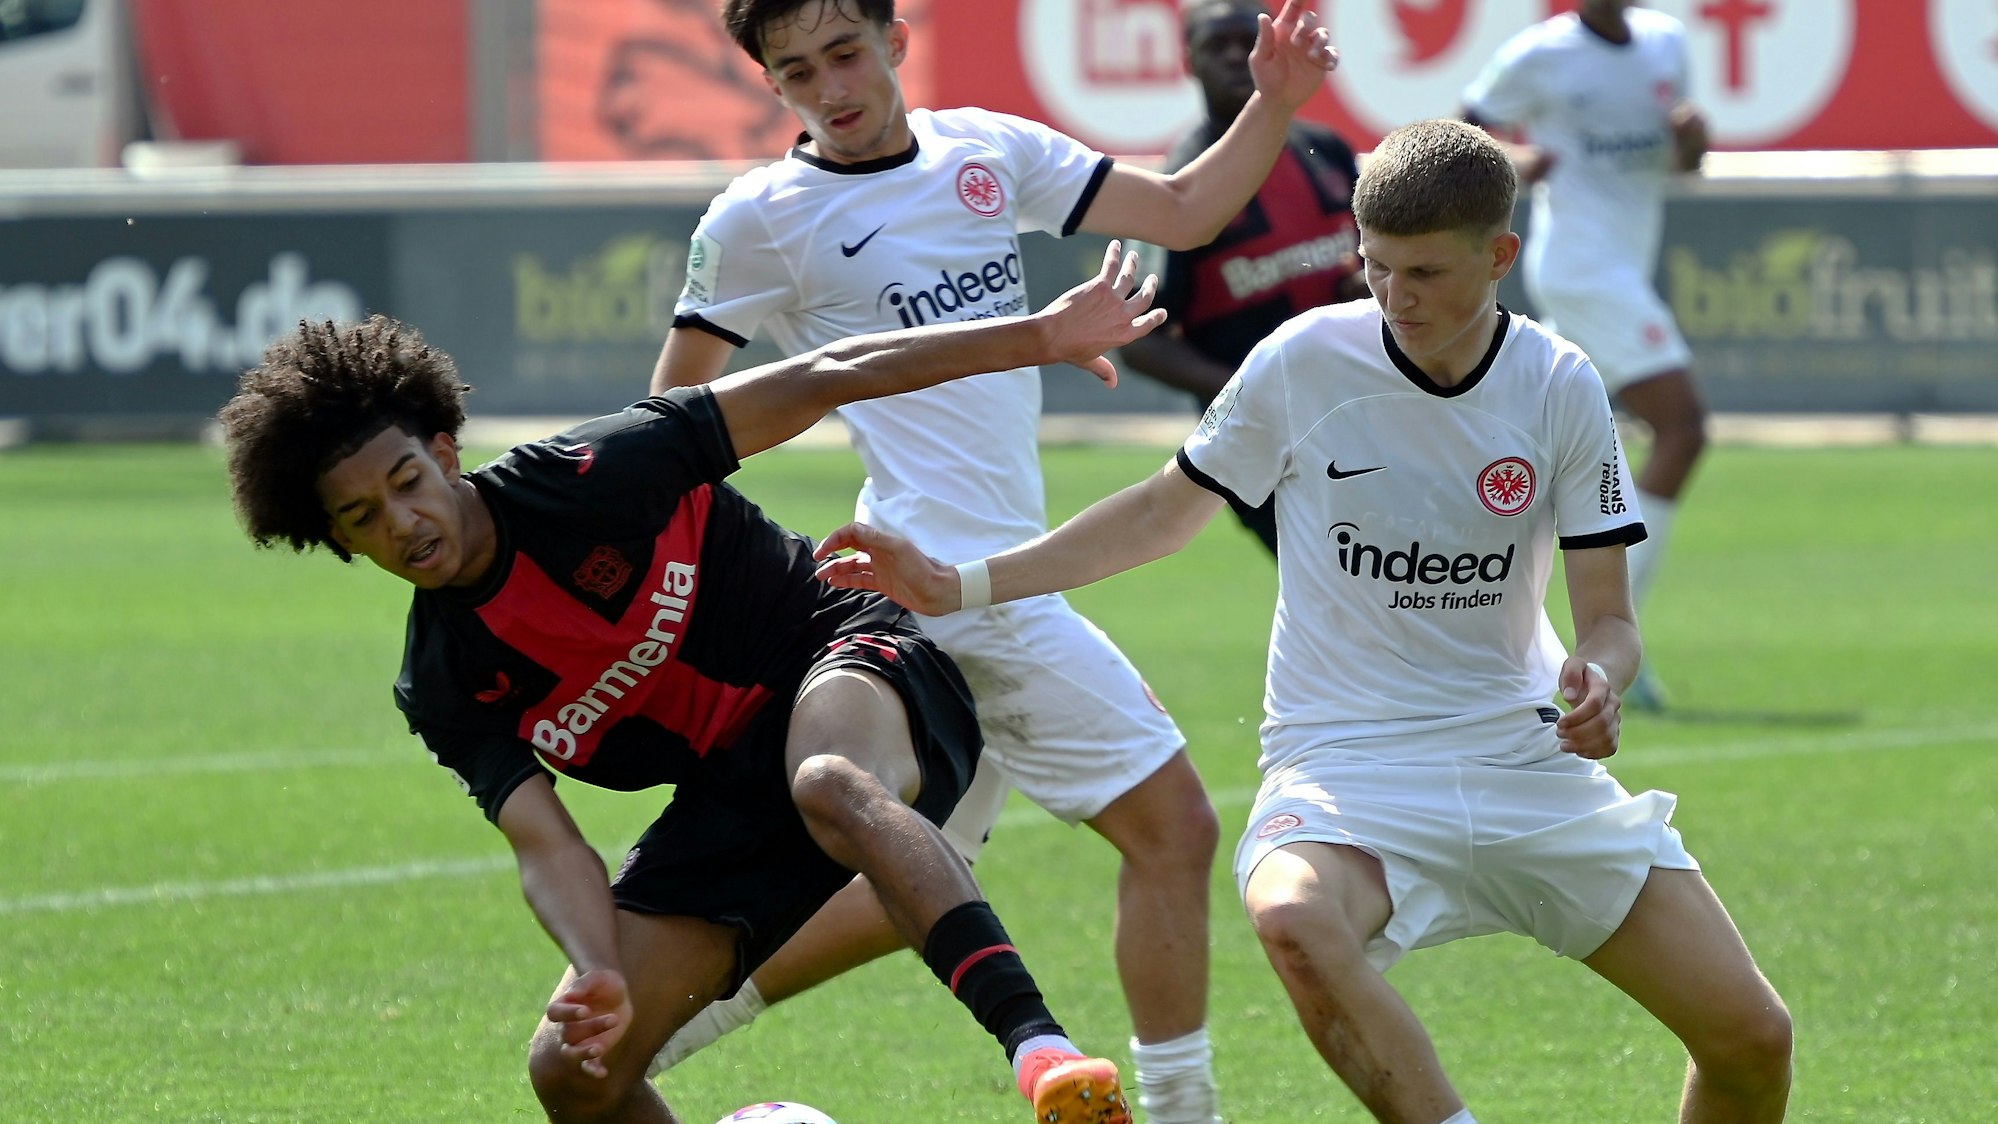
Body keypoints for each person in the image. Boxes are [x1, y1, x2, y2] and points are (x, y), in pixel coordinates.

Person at [813, 120, 1793, 1124]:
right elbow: (1161, 513)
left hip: (1521, 760)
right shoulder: (1304, 361)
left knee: (1754, 1041)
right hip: (1346, 762)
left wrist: (1599, 676)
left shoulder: (1561, 385)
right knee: (1290, 913)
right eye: (1373, 268)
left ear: (1500, 256)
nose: (1393, 297)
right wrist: (962, 581)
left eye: (1423, 272)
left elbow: (1609, 621)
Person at [216, 243, 1167, 1124]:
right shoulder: (443, 682)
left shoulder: (592, 473)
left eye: (406, 479)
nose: (403, 521)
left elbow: (829, 376)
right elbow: (546, 847)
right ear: (339, 540)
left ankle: (1040, 1050)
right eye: (363, 516)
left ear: (444, 448)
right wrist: (595, 966)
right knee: (571, 1068)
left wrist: (1040, 336)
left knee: (828, 778)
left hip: (852, 661)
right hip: (731, 800)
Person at [646, 2, 1336, 1120]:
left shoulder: (986, 151)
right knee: (1176, 823)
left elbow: (1185, 208)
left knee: (911, 883)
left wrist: (1275, 101)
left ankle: (667, 1025)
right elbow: (674, 420)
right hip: (954, 578)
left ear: (894, 39)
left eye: (845, 53)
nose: (830, 84)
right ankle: (1184, 1109)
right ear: (771, 87)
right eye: (796, 71)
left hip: (960, 574)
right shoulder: (762, 219)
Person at [1461, 0, 1711, 710]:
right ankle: (1609, 638)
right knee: (1683, 426)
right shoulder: (1541, 53)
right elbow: (1456, 136)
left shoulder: (1666, 43)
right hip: (1578, 266)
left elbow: (1683, 162)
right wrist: (1512, 162)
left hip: (1625, 264)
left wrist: (1694, 139)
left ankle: (1550, 637)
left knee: (1566, 454)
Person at [1122, 0, 1370, 556]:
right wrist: (1251, 393)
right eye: (1217, 44)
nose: (1236, 55)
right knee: (1340, 585)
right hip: (1260, 445)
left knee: (1390, 586)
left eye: (1248, 41)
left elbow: (1372, 265)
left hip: (1358, 408)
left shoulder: (1325, 150)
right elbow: (1140, 343)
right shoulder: (1184, 184)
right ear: (1189, 60)